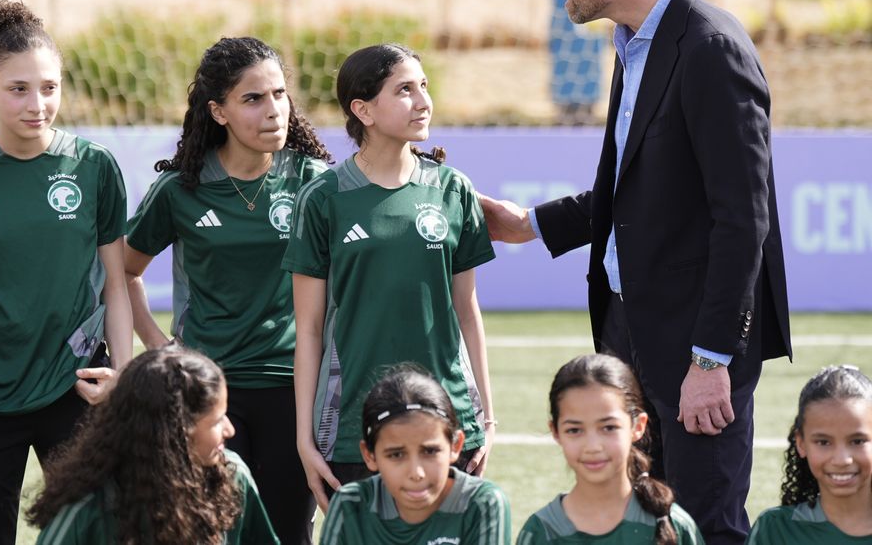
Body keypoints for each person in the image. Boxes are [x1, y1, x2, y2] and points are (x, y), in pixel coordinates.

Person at [478, 0, 790, 544]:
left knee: (706, 528)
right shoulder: (633, 43)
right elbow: (637, 192)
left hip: (695, 345)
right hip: (631, 326)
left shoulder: (711, 47)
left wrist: (712, 360)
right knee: (643, 526)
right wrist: (529, 225)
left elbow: (744, 221)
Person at [0, 0, 133, 545]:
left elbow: (116, 285)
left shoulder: (94, 167)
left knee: (97, 532)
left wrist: (121, 375)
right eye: (18, 89)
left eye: (49, 87)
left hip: (76, 384)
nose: (37, 104)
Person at [124, 36, 331, 544]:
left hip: (293, 387)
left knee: (287, 533)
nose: (273, 110)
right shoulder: (181, 190)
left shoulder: (313, 181)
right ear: (218, 111)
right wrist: (159, 345)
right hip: (208, 391)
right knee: (208, 531)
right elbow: (125, 271)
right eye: (253, 98)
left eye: (279, 94)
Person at [283, 43, 497, 511]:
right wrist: (304, 438)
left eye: (424, 86)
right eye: (404, 90)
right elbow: (309, 329)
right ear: (363, 110)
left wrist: (486, 418)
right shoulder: (322, 198)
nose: (423, 101)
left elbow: (467, 311)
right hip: (350, 427)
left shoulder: (453, 189)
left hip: (449, 419)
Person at [28, 345, 279, 544]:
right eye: (216, 420)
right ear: (176, 433)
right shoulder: (85, 511)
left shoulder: (232, 476)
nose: (230, 430)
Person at [518, 354, 704, 544]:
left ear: (637, 426)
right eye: (574, 430)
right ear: (556, 432)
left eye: (609, 427)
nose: (593, 446)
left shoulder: (674, 525)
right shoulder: (540, 533)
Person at [320, 364, 511, 544]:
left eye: (430, 451)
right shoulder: (350, 506)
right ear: (369, 455)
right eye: (396, 455)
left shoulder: (481, 504)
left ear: (455, 446)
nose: (416, 473)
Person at [746, 365, 872, 543]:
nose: (841, 460)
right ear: (801, 443)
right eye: (823, 442)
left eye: (857, 441)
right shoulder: (776, 529)